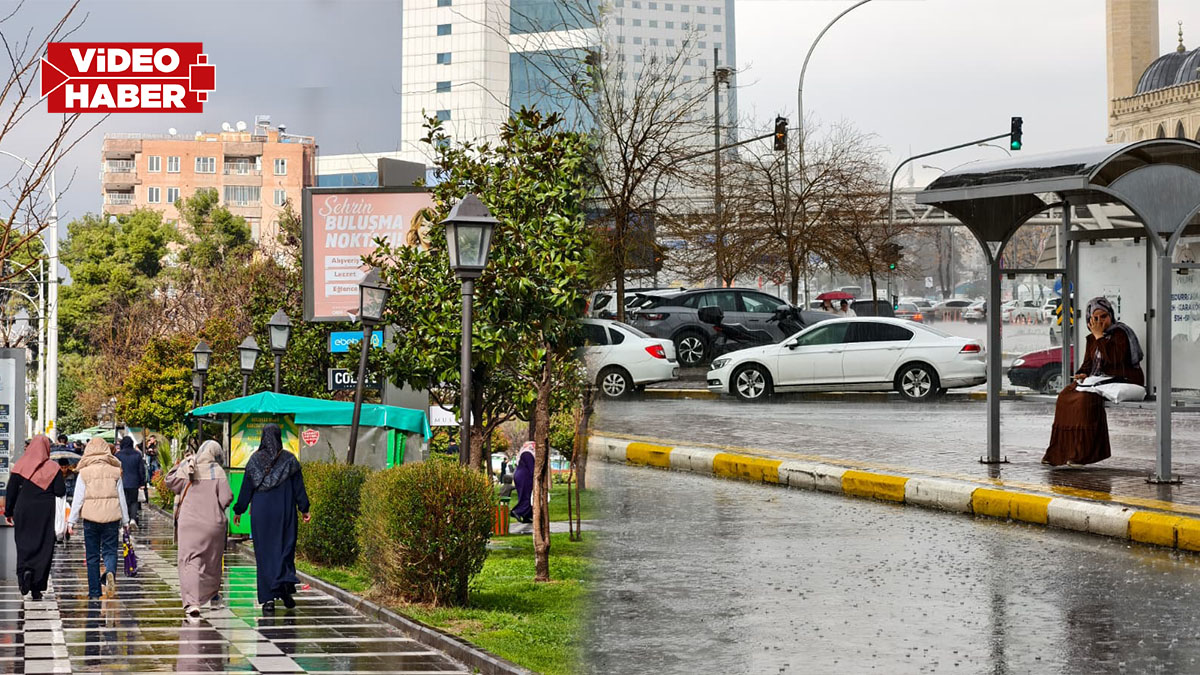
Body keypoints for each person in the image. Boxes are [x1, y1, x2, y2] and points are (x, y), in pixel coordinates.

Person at [1042, 296, 1145, 467]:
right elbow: (1087, 365)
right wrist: (1082, 374)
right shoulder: (1092, 338)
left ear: (1111, 316)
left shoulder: (1120, 333)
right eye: (1095, 318)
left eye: (1103, 317)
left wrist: (1100, 338)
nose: (1099, 322)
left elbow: (1115, 359)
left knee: (1085, 400)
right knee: (1065, 396)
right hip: (1099, 381)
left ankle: (1084, 453)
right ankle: (1059, 451)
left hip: (1122, 379)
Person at [232, 424, 310, 611]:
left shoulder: (254, 461)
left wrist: (239, 510)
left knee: (265, 553)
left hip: (262, 512)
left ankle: (268, 599)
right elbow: (299, 487)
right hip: (284, 511)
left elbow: (246, 488)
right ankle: (285, 590)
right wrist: (304, 508)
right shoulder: (289, 460)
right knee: (285, 549)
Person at [166, 440, 233, 618]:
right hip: (212, 525)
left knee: (190, 562)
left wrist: (181, 463)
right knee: (211, 562)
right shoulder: (217, 471)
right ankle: (211, 594)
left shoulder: (189, 467)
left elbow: (170, 482)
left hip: (188, 525)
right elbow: (226, 498)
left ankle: (193, 603)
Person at [67, 437, 131, 599]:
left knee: (92, 556)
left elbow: (78, 498)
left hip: (91, 518)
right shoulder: (115, 471)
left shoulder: (84, 472)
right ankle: (109, 571)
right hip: (111, 518)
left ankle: (94, 591)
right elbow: (121, 497)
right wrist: (126, 521)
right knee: (110, 551)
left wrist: (71, 521)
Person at [5, 435, 66, 600]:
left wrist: (8, 512)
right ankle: (37, 586)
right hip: (45, 512)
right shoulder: (53, 468)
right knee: (43, 547)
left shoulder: (20, 465)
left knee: (24, 545)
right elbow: (60, 491)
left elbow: (11, 491)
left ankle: (25, 573)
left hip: (23, 510)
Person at [114, 436, 146, 526]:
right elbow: (141, 470)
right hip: (134, 482)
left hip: (122, 482)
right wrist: (142, 482)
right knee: (134, 501)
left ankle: (125, 520)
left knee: (123, 501)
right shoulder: (137, 455)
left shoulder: (118, 455)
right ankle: (132, 518)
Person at [510, 441, 535, 524]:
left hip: (521, 476)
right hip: (525, 477)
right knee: (527, 496)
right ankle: (517, 511)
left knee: (525, 495)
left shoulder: (524, 453)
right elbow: (532, 468)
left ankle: (526, 516)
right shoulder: (527, 453)